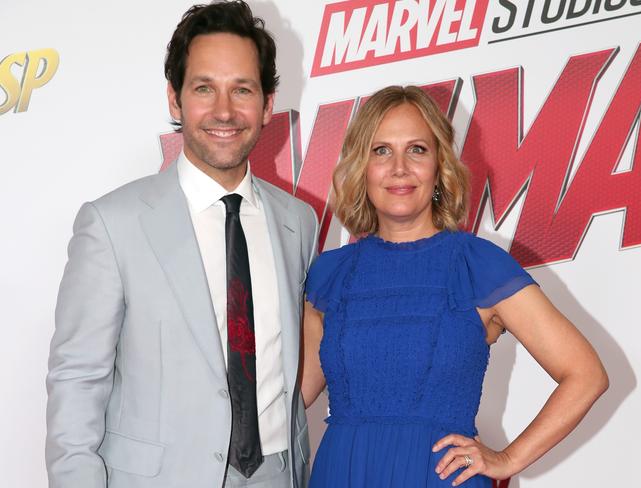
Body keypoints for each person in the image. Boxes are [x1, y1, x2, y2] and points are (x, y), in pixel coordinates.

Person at [46, 2, 317, 487]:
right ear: (174, 100)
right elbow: (77, 382)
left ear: (268, 103)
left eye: (242, 90)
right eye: (203, 88)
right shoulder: (113, 224)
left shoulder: (298, 221)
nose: (224, 111)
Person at [300, 85, 608, 487]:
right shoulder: (330, 274)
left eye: (417, 149)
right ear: (361, 167)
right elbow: (290, 400)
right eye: (381, 151)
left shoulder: (477, 265)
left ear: (439, 166)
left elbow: (586, 374)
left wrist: (509, 458)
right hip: (342, 474)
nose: (399, 168)